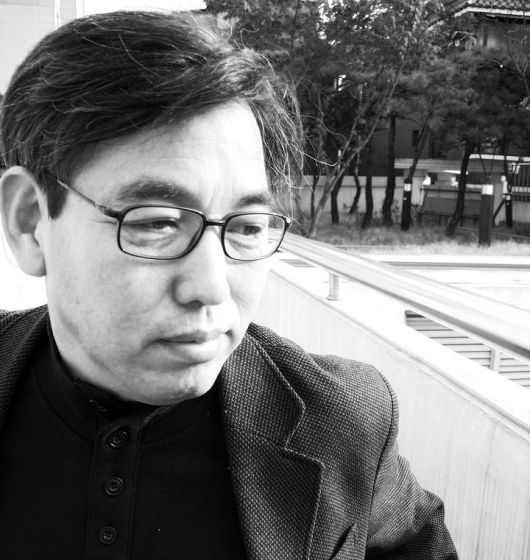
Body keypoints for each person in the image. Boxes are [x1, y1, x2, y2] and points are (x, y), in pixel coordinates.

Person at [0, 10, 458, 559]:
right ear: (30, 222)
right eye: (157, 222)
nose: (212, 288)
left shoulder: (342, 420)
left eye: (246, 227)